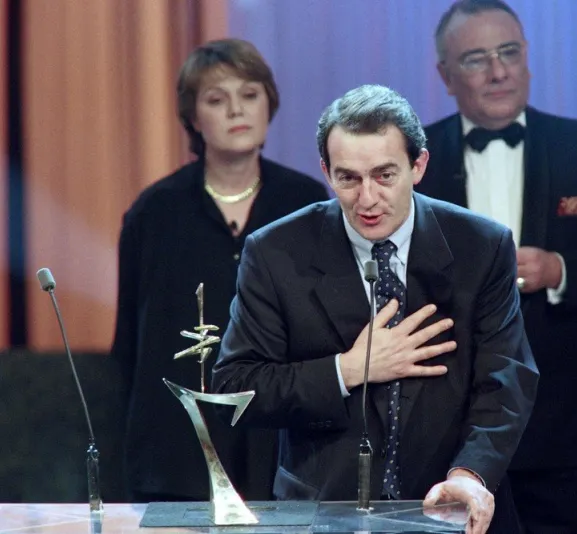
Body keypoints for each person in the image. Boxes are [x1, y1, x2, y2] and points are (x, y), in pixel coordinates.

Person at [211, 84, 539, 534]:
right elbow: (236, 388)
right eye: (348, 178)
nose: (367, 199)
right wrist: (347, 370)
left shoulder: (481, 247)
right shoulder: (275, 253)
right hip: (323, 511)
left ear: (417, 165)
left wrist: (470, 474)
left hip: (449, 506)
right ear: (327, 172)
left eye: (385, 175)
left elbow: (505, 382)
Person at [416, 1, 577, 532]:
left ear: (527, 56)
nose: (499, 71)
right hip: (445, 435)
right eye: (477, 59)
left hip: (563, 431)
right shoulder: (416, 160)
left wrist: (559, 270)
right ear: (446, 75)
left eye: (509, 53)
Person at [111, 38, 330, 503]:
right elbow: (130, 344)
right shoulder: (154, 213)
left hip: (283, 439)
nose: (236, 110)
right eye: (216, 99)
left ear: (269, 103)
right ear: (192, 117)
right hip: (175, 445)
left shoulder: (310, 206)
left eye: (249, 94)